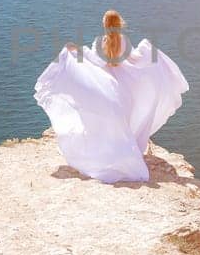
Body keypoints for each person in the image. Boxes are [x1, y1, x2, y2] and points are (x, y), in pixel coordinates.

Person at [33, 9, 188, 183]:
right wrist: (146, 50)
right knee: (125, 122)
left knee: (104, 122)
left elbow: (95, 60)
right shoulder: (124, 41)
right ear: (119, 23)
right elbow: (133, 58)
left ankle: (107, 155)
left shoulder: (101, 41)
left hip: (107, 84)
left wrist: (76, 50)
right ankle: (128, 151)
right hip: (125, 88)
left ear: (106, 24)